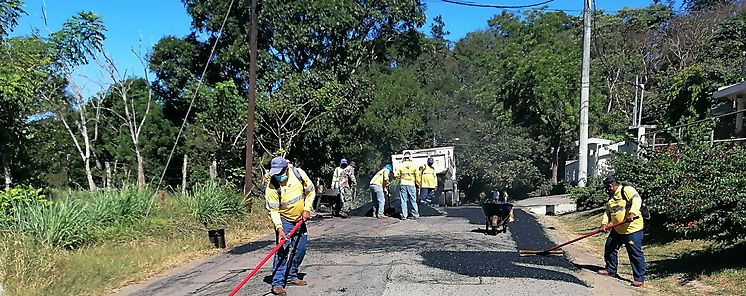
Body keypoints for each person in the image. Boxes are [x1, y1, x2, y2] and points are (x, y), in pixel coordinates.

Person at [265, 156, 316, 296]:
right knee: (282, 250)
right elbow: (274, 211)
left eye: (280, 172)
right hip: (285, 221)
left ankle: (292, 275)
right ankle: (277, 283)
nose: (278, 176)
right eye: (275, 173)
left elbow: (311, 191)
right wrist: (279, 229)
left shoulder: (299, 174)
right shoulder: (272, 186)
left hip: (300, 219)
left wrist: (307, 209)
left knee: (301, 249)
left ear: (286, 169)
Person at [598, 176, 646, 287]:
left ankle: (639, 278)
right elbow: (608, 213)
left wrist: (632, 212)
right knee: (610, 248)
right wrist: (604, 224)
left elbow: (637, 200)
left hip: (632, 229)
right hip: (618, 229)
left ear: (611, 185)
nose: (607, 190)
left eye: (607, 188)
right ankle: (611, 270)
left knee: (634, 253)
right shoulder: (611, 199)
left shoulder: (627, 190)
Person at [394, 151, 419, 220]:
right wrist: (418, 183)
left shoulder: (400, 165)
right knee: (413, 200)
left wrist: (400, 178)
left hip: (403, 184)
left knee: (403, 200)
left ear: (404, 157)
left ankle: (404, 215)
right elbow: (417, 175)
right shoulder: (414, 165)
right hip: (411, 184)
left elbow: (396, 175)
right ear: (410, 157)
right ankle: (415, 215)